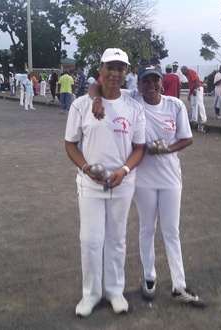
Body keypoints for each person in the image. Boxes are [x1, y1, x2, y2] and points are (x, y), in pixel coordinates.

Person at [90, 62, 206, 308]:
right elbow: (95, 86)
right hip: (142, 179)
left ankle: (179, 286)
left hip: (170, 177)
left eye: (155, 80)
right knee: (146, 229)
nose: (151, 85)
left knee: (171, 231)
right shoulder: (133, 99)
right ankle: (149, 278)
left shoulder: (174, 105)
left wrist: (167, 148)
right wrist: (96, 101)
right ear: (139, 83)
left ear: (161, 82)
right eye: (146, 81)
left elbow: (187, 139)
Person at [64, 48, 146, 317]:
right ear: (100, 69)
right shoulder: (80, 105)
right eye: (110, 67)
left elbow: (139, 148)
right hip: (90, 184)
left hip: (122, 184)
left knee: (116, 239)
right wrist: (86, 168)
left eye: (121, 68)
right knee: (90, 240)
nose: (115, 73)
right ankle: (91, 294)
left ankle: (114, 291)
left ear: (126, 73)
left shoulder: (134, 107)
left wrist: (123, 171)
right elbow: (71, 144)